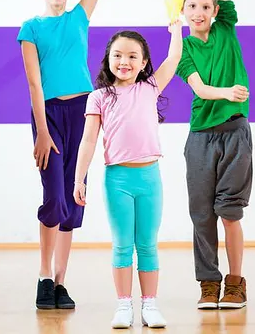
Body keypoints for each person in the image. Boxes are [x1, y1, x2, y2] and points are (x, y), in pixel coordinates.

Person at [17, 0, 108, 310]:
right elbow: (35, 83)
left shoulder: (79, 16)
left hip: (85, 114)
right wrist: (41, 130)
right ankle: (42, 275)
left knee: (73, 201)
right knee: (53, 197)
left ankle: (59, 282)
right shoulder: (31, 29)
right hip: (49, 116)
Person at [73, 22, 183, 328]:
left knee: (147, 244)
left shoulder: (149, 88)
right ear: (108, 58)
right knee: (122, 244)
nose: (125, 62)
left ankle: (150, 304)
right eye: (118, 55)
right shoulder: (98, 97)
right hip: (117, 180)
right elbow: (89, 140)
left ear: (144, 62)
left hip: (149, 178)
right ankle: (123, 305)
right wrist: (79, 178)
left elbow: (173, 60)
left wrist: (177, 29)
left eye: (133, 56)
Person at [175, 0, 252, 310]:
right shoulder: (182, 49)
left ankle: (236, 282)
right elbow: (200, 89)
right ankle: (209, 282)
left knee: (229, 211)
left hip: (235, 133)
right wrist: (227, 92)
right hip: (201, 137)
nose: (200, 12)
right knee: (202, 214)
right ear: (184, 9)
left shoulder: (226, 27)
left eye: (206, 6)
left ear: (216, 10)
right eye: (193, 6)